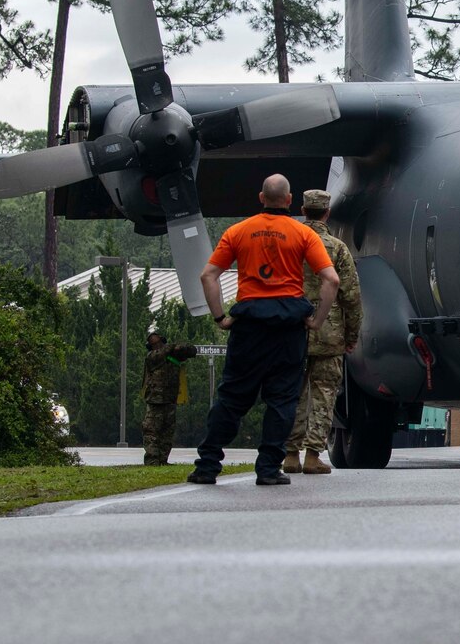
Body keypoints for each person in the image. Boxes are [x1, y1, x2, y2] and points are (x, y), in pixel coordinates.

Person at [188, 174, 339, 486]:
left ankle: (207, 465)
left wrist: (221, 318)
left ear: (261, 198)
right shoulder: (303, 234)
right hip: (288, 330)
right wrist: (317, 319)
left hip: (249, 327)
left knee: (232, 397)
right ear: (288, 200)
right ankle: (269, 468)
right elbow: (331, 280)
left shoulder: (238, 232)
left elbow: (208, 276)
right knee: (282, 400)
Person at [285, 189, 363, 476]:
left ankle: (290, 454)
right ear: (327, 213)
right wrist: (352, 335)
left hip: (291, 329)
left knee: (292, 392)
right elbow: (351, 296)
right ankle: (313, 455)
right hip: (330, 334)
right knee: (324, 393)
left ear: (303, 210)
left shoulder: (289, 243)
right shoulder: (338, 248)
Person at [140, 331, 198, 465]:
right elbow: (160, 354)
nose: (156, 344)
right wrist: (173, 347)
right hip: (155, 400)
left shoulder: (172, 354)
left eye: (157, 341)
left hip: (170, 399)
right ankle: (152, 460)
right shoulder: (152, 357)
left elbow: (192, 351)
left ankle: (163, 460)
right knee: (151, 430)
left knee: (167, 431)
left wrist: (181, 348)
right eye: (153, 343)